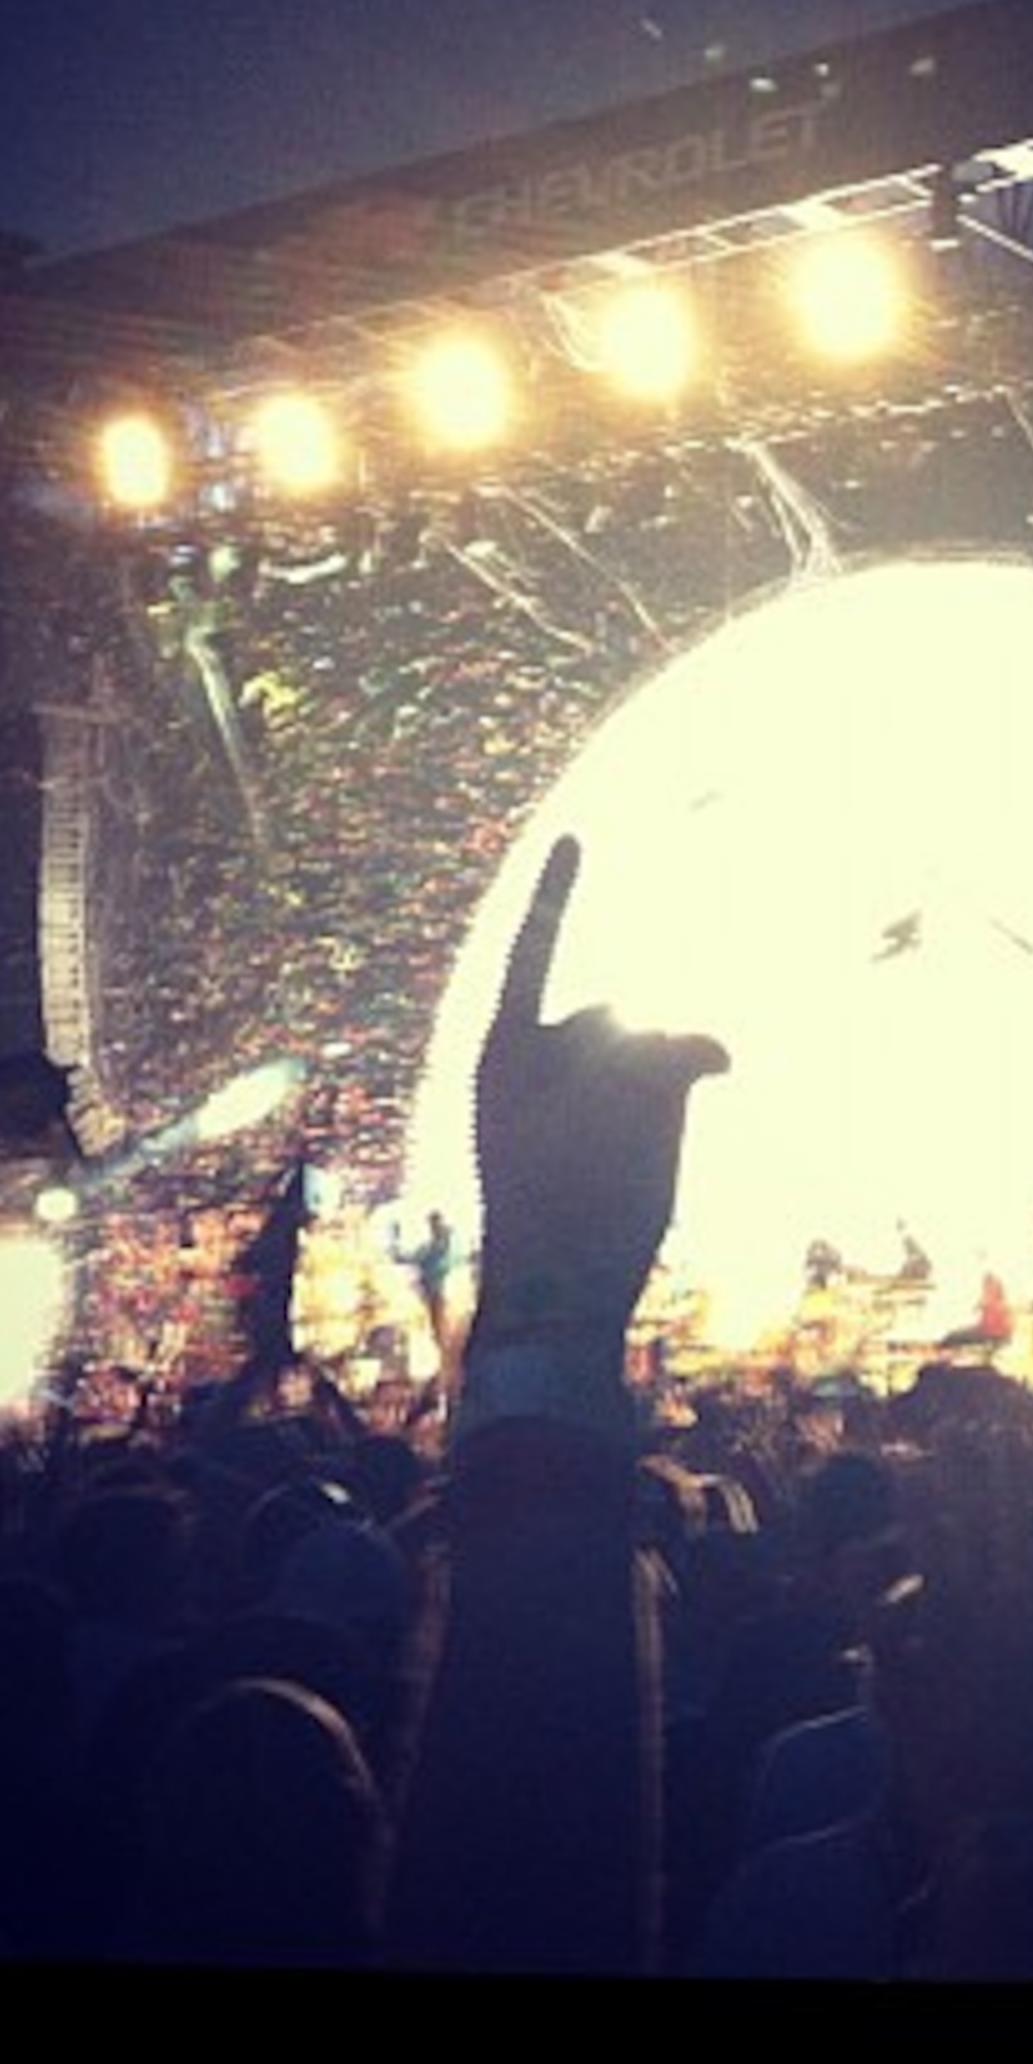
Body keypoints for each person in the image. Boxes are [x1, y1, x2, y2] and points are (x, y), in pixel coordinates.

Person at [381, 834, 729, 1974]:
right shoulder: (601, 1166)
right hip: (553, 1440)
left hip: (531, 1431)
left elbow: (513, 1020)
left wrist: (535, 933)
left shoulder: (516, 1123)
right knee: (582, 1796)